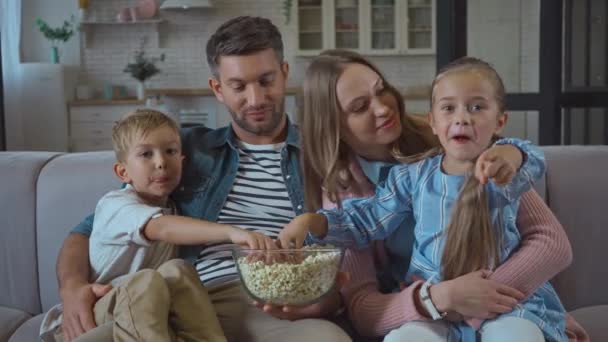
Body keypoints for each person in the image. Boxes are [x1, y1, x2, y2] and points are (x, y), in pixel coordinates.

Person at [54, 17, 351, 342]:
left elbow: (352, 232)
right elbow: (89, 229)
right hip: (180, 297)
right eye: (238, 86)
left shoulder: (320, 152)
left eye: (266, 80)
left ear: (284, 73)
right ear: (217, 89)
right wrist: (72, 288)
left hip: (266, 305)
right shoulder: (184, 151)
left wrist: (326, 298)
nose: (255, 99)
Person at [276, 49, 587, 341]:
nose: (383, 107)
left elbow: (545, 216)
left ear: (499, 121)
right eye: (359, 106)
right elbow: (362, 227)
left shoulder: (493, 164)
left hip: (507, 305)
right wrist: (314, 222)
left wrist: (512, 153)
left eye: (381, 89)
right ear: (433, 121)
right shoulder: (408, 179)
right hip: (431, 309)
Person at [42, 109, 278, 342]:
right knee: (147, 282)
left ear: (182, 161)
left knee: (179, 270)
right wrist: (231, 232)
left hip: (144, 313)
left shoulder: (174, 208)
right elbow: (161, 228)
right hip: (95, 314)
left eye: (170, 151)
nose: (161, 162)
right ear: (122, 171)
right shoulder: (116, 205)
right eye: (146, 154)